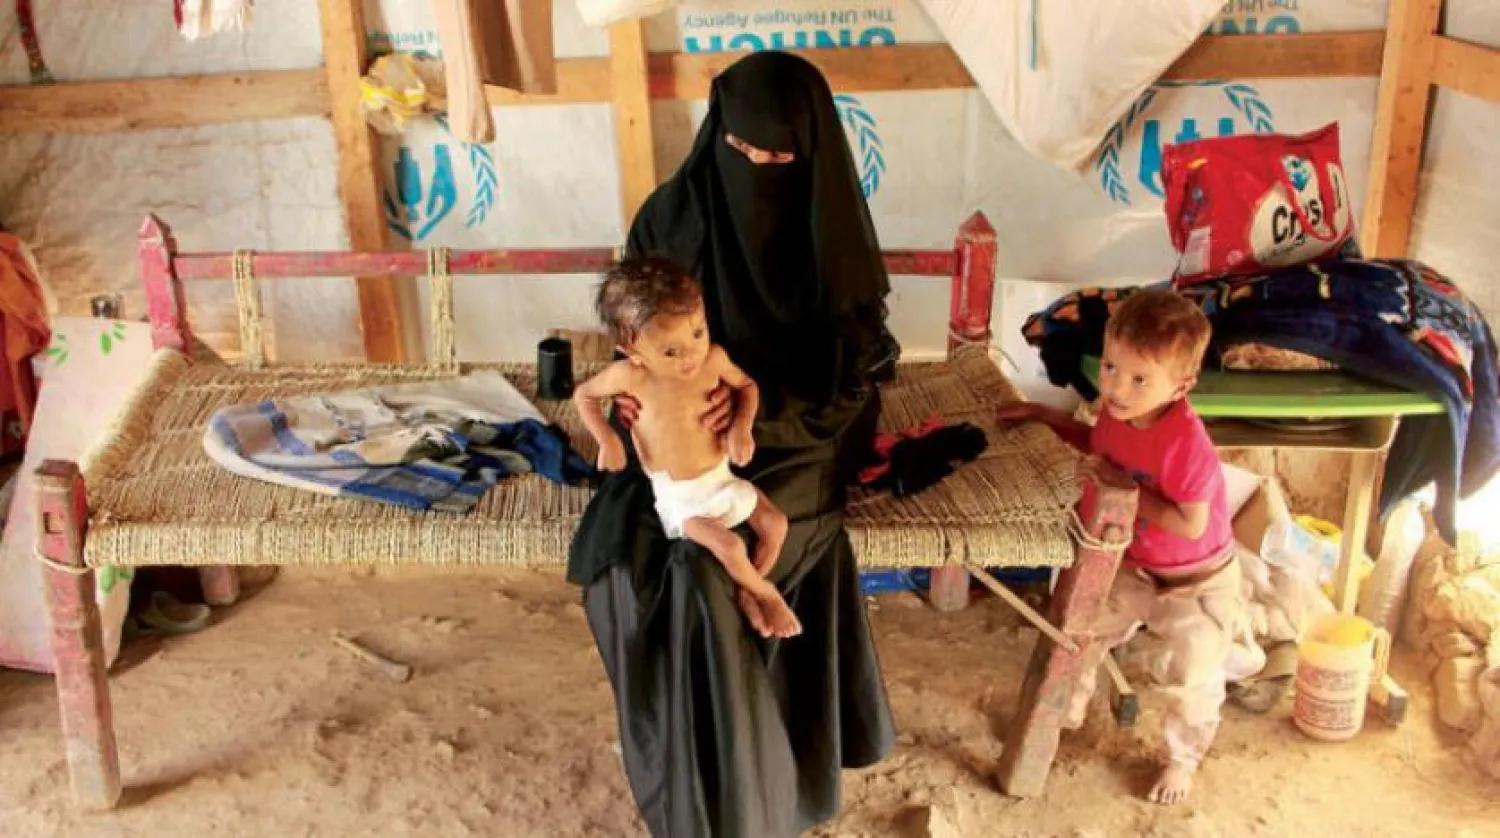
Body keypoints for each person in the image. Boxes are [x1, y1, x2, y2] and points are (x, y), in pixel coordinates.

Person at [566, 50, 897, 837]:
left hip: (801, 434)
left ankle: (762, 796)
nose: (752, 167)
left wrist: (757, 415)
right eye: (738, 150)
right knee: (635, 557)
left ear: (809, 156)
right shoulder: (671, 217)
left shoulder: (831, 238)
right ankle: (700, 785)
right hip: (678, 439)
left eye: (776, 158)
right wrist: (645, 416)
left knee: (719, 570)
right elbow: (633, 342)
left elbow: (849, 385)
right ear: (715, 132)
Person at [997, 289, 1252, 806]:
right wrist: (1048, 418)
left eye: (1139, 378)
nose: (1117, 387)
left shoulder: (1185, 444)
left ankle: (1182, 757)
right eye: (1112, 367)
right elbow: (1097, 446)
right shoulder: (1116, 410)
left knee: (1195, 674)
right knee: (1081, 633)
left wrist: (1124, 494)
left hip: (1197, 580)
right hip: (1135, 565)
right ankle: (1062, 715)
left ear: (1182, 385)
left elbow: (1187, 521)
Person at [573, 257, 799, 638]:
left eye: (698, 332)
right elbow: (584, 395)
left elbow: (747, 387)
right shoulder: (631, 377)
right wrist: (608, 438)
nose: (692, 354)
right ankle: (767, 593)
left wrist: (742, 426)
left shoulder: (713, 360)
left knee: (776, 524)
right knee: (728, 545)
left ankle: (748, 589)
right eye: (671, 352)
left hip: (721, 477)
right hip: (682, 500)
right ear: (632, 351)